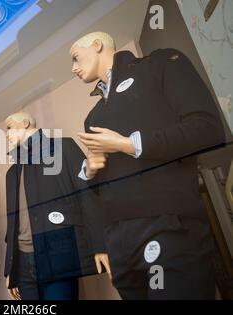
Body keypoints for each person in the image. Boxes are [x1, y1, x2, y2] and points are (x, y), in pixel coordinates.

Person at [70, 31, 225, 299]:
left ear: (96, 45)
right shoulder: (92, 117)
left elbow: (208, 129)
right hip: (120, 248)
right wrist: (92, 170)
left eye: (75, 58)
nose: (73, 68)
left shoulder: (162, 63)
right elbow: (103, 187)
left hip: (168, 228)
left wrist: (128, 144)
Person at [4, 111, 109, 300]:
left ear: (25, 123)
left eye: (9, 127)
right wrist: (10, 269)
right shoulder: (12, 172)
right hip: (23, 265)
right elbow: (12, 224)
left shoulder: (63, 147)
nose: (6, 134)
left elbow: (87, 195)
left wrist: (99, 245)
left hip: (58, 251)